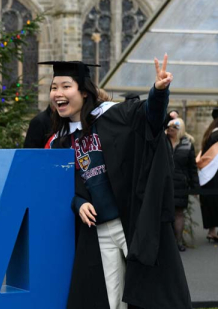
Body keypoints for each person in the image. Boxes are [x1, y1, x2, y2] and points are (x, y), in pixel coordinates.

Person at [42, 55, 191, 309]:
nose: (58, 93)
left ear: (84, 91)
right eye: (54, 87)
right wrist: (78, 203)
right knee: (112, 299)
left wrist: (158, 92)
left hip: (130, 222)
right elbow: (62, 188)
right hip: (99, 230)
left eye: (66, 86)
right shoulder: (60, 142)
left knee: (150, 292)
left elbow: (150, 118)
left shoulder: (112, 116)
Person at [165, 118, 198, 251]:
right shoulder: (162, 141)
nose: (171, 128)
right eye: (169, 126)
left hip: (180, 184)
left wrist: (195, 187)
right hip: (164, 182)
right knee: (165, 213)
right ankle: (168, 243)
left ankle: (178, 241)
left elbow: (192, 167)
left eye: (175, 127)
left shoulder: (187, 144)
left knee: (178, 213)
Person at [197, 109, 218, 243]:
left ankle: (212, 231)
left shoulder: (209, 133)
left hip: (207, 173)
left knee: (210, 202)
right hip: (215, 173)